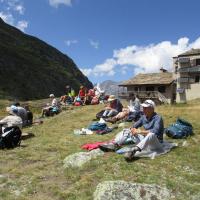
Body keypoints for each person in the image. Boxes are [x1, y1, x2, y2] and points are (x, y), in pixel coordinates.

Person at [100, 99, 164, 161]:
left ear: (152, 109)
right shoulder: (144, 117)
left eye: (145, 108)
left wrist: (140, 131)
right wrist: (132, 129)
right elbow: (134, 126)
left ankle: (133, 151)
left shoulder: (158, 118)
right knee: (127, 130)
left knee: (151, 135)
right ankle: (115, 144)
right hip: (145, 140)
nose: (143, 109)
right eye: (143, 107)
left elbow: (155, 131)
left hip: (156, 143)